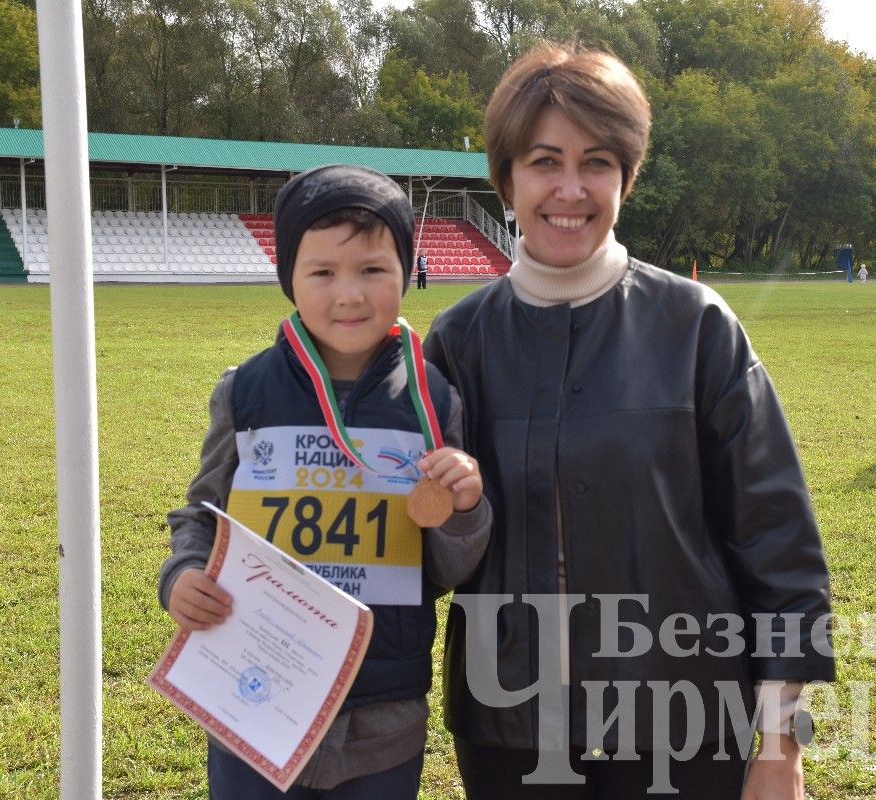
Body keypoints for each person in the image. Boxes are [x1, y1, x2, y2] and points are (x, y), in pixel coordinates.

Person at [423, 44, 834, 799]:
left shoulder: (696, 326)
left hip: (686, 720)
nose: (570, 189)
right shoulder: (457, 343)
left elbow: (779, 546)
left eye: (598, 162)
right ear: (507, 178)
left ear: (627, 177)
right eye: (545, 161)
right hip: (508, 728)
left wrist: (783, 741)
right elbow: (415, 549)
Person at [159, 164, 491, 799]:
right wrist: (182, 576)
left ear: (406, 273)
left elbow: (451, 570)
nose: (349, 295)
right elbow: (203, 512)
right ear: (290, 278)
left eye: (373, 270)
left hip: (382, 715)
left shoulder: (432, 399)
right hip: (251, 698)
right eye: (322, 273)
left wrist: (463, 507)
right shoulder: (246, 392)